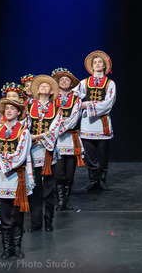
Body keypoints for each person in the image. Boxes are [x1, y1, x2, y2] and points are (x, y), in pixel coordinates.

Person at [0, 98, 34, 259]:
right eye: (7, 108)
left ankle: (17, 247)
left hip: (16, 177)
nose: (9, 111)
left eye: (12, 108)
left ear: (18, 112)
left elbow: (20, 156)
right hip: (1, 176)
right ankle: (7, 247)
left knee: (16, 214)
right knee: (4, 213)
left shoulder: (24, 132)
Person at [26, 74, 64, 232]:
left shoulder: (57, 109)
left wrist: (37, 137)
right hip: (32, 152)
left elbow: (55, 130)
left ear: (51, 91)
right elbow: (24, 129)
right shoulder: (28, 108)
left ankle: (49, 220)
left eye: (47, 85)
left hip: (48, 153)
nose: (43, 86)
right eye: (40, 85)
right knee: (34, 188)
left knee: (48, 188)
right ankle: (36, 222)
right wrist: (31, 138)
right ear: (37, 90)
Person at [78, 49, 117, 191]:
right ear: (92, 66)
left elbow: (108, 103)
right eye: (95, 62)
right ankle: (93, 179)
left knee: (102, 154)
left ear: (105, 66)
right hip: (87, 123)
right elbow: (74, 97)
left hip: (102, 122)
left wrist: (87, 105)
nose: (98, 64)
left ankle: (102, 179)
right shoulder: (84, 82)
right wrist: (79, 104)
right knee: (90, 153)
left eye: (100, 62)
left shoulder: (110, 83)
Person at [52, 67, 84, 211]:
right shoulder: (52, 99)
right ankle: (60, 201)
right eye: (61, 79)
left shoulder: (76, 100)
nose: (64, 81)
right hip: (56, 141)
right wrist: (55, 129)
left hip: (71, 139)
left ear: (71, 84)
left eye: (67, 80)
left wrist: (57, 128)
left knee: (70, 172)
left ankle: (66, 200)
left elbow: (73, 119)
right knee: (59, 171)